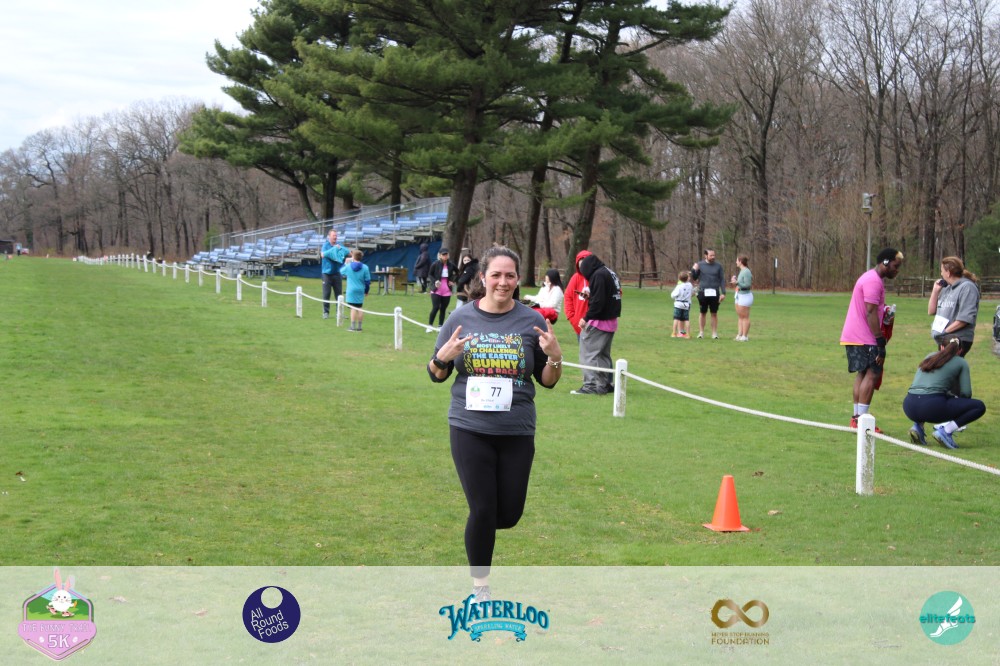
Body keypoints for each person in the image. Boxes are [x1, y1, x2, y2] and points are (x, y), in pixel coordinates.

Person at [427, 246, 563, 603]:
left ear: (518, 279)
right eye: (496, 275)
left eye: (510, 275)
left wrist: (555, 357)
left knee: (509, 514)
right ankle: (480, 588)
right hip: (469, 426)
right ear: (483, 277)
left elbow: (547, 381)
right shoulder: (460, 318)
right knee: (483, 509)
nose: (503, 282)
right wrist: (442, 357)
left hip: (516, 429)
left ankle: (484, 528)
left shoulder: (531, 321)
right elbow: (436, 374)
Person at [840, 247, 904, 429]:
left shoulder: (870, 278)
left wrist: (886, 312)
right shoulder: (873, 281)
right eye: (895, 266)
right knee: (872, 374)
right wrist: (880, 341)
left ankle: (856, 420)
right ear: (885, 262)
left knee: (862, 373)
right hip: (865, 337)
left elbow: (873, 308)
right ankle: (863, 421)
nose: (897, 270)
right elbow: (870, 312)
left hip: (854, 335)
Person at [903, 338, 986, 449]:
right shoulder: (961, 362)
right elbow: (966, 393)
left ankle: (917, 427)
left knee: (931, 398)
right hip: (932, 406)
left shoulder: (929, 356)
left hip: (909, 405)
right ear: (960, 350)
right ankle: (946, 431)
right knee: (979, 406)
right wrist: (954, 398)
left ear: (942, 347)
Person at [571, 253, 622, 395]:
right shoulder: (609, 272)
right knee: (603, 355)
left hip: (599, 322)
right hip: (610, 321)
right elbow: (606, 296)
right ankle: (604, 384)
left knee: (588, 354)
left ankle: (591, 386)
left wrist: (586, 318)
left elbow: (598, 303)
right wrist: (591, 296)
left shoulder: (598, 275)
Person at [927, 256, 980, 357]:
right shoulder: (946, 288)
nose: (941, 274)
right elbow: (931, 311)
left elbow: (964, 319)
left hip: (958, 339)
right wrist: (935, 291)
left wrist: (943, 332)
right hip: (945, 338)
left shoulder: (967, 288)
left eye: (942, 271)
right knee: (945, 366)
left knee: (949, 366)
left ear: (948, 272)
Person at [691, 248, 726, 339]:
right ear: (705, 255)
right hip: (703, 292)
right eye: (711, 255)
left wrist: (723, 293)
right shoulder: (700, 264)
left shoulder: (718, 266)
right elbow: (694, 278)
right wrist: (694, 269)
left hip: (715, 292)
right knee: (703, 312)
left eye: (714, 255)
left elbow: (722, 279)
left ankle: (714, 334)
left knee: (714, 313)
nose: (713, 257)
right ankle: (701, 333)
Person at [339, 249, 371, 332]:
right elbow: (367, 281)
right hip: (360, 289)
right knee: (359, 307)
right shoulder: (365, 267)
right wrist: (366, 291)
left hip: (351, 290)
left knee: (353, 308)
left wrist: (345, 263)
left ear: (353, 257)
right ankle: (359, 327)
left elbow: (341, 271)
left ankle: (353, 327)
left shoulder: (348, 266)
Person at [564, 250, 593, 338]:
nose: (584, 269)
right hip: (579, 325)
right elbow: (568, 297)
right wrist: (573, 318)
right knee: (582, 347)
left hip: (596, 325)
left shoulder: (598, 277)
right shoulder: (575, 278)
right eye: (581, 266)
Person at [321, 229, 349, 319]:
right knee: (326, 294)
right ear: (329, 237)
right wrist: (333, 251)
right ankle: (326, 312)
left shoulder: (339, 245)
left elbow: (347, 253)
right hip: (326, 273)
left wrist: (345, 254)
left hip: (337, 273)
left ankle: (339, 313)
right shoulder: (325, 245)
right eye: (333, 235)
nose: (335, 237)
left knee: (339, 294)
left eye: (336, 236)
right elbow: (322, 255)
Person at [427, 248, 457, 331]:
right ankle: (430, 326)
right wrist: (435, 281)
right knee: (436, 307)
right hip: (437, 288)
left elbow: (458, 273)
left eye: (446, 254)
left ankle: (440, 326)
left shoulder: (451, 265)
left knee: (443, 308)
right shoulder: (435, 264)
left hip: (446, 289)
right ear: (440, 255)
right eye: (443, 254)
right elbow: (430, 274)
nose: (445, 256)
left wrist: (453, 280)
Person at [730, 256, 753, 341]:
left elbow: (747, 285)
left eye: (737, 261)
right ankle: (740, 334)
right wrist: (736, 281)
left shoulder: (746, 271)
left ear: (740, 261)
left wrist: (737, 283)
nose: (736, 262)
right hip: (739, 295)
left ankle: (745, 336)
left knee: (745, 317)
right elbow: (741, 283)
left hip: (745, 296)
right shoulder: (742, 271)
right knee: (740, 316)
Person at [670, 271, 692, 338]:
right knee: (686, 319)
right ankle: (688, 334)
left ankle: (674, 333)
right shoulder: (690, 285)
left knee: (676, 318)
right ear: (687, 278)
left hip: (678, 304)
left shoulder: (679, 286)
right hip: (686, 304)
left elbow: (673, 295)